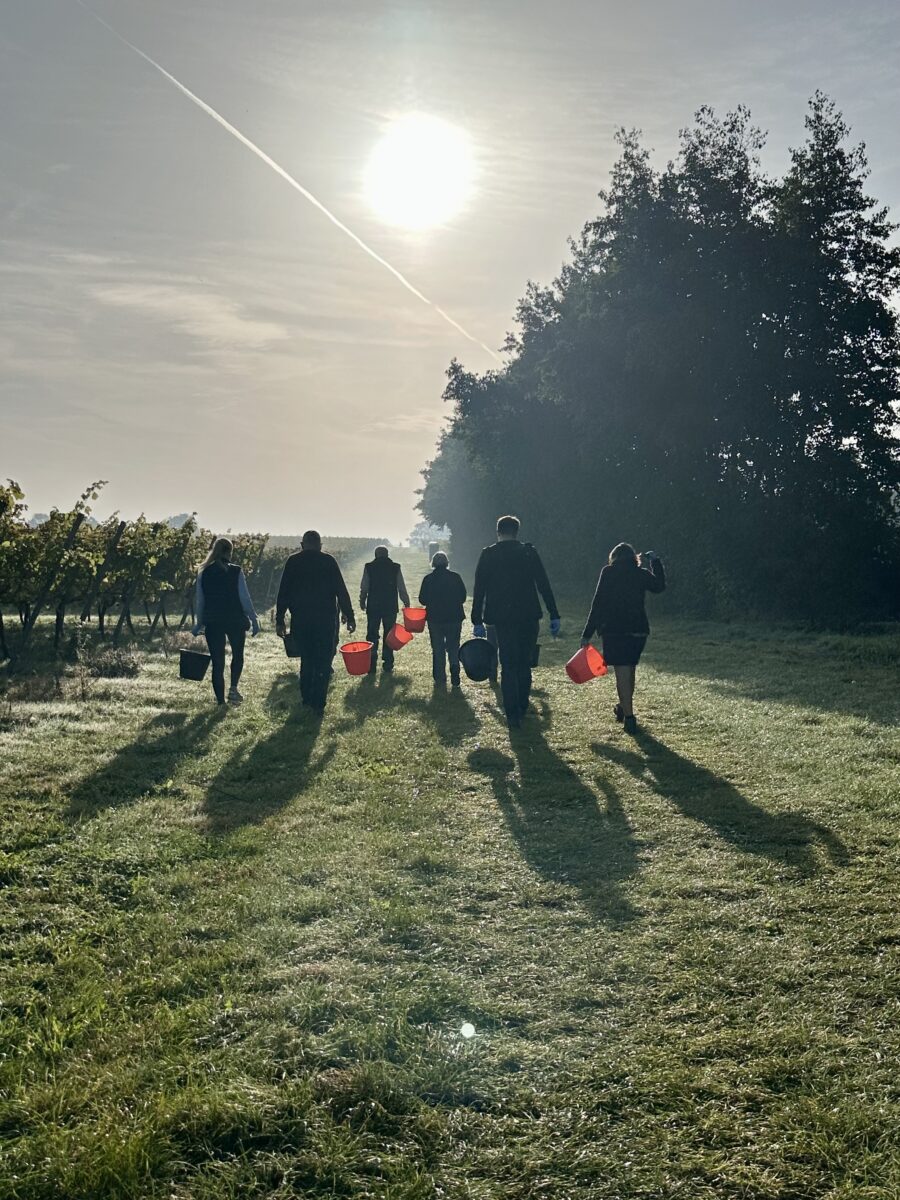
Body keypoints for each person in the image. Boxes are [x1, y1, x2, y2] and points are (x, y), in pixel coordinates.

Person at [471, 515, 561, 728]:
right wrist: (554, 613)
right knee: (524, 663)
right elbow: (543, 584)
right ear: (516, 532)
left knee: (508, 664)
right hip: (528, 615)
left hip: (502, 618)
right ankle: (522, 704)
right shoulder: (528, 552)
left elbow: (479, 588)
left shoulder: (489, 554)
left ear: (498, 532)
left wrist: (477, 619)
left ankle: (512, 714)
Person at [580, 543, 666, 734]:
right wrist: (655, 562)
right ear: (634, 558)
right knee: (629, 669)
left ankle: (629, 717)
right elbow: (659, 586)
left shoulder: (608, 572)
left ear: (614, 557)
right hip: (638, 629)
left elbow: (598, 603)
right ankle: (623, 706)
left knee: (622, 672)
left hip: (614, 630)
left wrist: (587, 633)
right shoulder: (641, 574)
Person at [275, 531, 355, 714]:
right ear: (320, 545)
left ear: (302, 545)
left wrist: (280, 619)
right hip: (325, 620)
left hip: (301, 619)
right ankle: (319, 703)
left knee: (307, 659)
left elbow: (283, 592)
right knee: (323, 661)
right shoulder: (328, 561)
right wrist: (349, 615)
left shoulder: (293, 562)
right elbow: (341, 590)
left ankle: (306, 699)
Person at [193, 537, 259, 706]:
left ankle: (221, 701)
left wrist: (199, 623)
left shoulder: (204, 572)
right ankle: (233, 688)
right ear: (230, 552)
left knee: (218, 662)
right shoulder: (236, 571)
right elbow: (244, 597)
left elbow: (200, 600)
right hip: (235, 619)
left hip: (213, 620)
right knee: (238, 655)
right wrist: (253, 618)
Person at [418, 552, 467, 687]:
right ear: (447, 563)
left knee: (438, 648)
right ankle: (454, 666)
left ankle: (440, 676)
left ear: (433, 563)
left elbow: (422, 599)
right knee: (453, 646)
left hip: (435, 619)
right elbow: (463, 597)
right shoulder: (455, 577)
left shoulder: (428, 579)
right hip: (454, 617)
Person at [359, 545, 410, 675]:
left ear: (376, 555)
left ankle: (371, 664)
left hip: (374, 606)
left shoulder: (369, 567)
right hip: (390, 606)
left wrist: (362, 600)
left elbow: (364, 586)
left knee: (372, 635)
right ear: (387, 555)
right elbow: (401, 587)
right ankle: (388, 663)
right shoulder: (395, 567)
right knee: (389, 635)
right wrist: (406, 601)